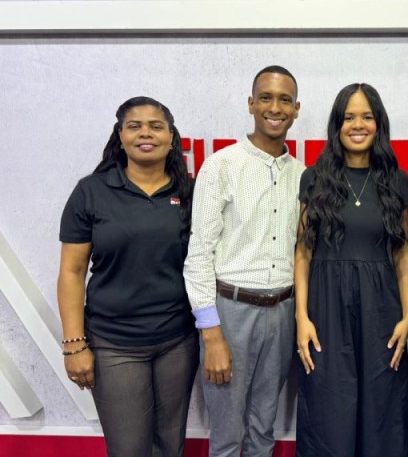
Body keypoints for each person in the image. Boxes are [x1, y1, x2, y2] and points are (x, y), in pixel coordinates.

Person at [57, 96, 199, 457]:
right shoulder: (91, 191)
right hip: (114, 344)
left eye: (156, 126)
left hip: (177, 341)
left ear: (171, 137)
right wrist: (74, 345)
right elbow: (72, 272)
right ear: (120, 136)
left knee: (170, 446)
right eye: (134, 126)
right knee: (128, 449)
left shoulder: (190, 192)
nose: (145, 133)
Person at [183, 65, 304, 457]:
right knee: (227, 436)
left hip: (282, 313)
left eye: (284, 100)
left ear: (297, 109)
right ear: (251, 104)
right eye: (266, 98)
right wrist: (211, 332)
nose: (275, 108)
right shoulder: (222, 165)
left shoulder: (303, 175)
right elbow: (199, 253)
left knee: (263, 429)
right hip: (230, 313)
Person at [295, 83, 408, 457]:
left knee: (381, 408)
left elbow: (403, 253)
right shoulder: (314, 178)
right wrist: (302, 317)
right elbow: (303, 252)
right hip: (325, 308)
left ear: (379, 124)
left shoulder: (396, 180)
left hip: (382, 309)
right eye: (349, 117)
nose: (357, 125)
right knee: (328, 408)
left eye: (366, 117)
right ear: (337, 125)